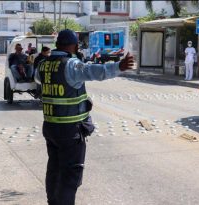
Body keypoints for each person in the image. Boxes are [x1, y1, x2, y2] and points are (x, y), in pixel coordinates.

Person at [36, 29, 134, 205]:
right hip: (70, 130)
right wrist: (119, 66)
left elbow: (37, 80)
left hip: (50, 127)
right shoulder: (71, 64)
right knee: (69, 176)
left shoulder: (43, 64)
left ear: (57, 44)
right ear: (73, 45)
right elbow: (93, 71)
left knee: (54, 170)